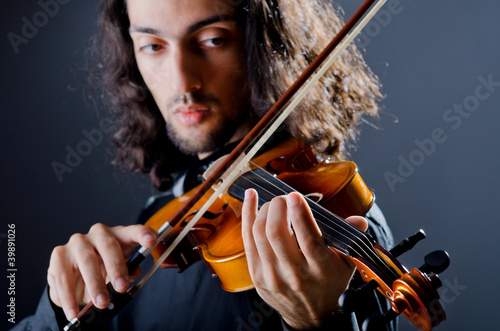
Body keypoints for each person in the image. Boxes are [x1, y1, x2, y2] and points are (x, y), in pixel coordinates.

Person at [14, 0, 396, 330]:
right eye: (152, 46)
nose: (182, 80)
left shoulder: (335, 217)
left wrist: (319, 322)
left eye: (213, 40)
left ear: (265, 42)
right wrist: (62, 308)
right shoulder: (161, 219)